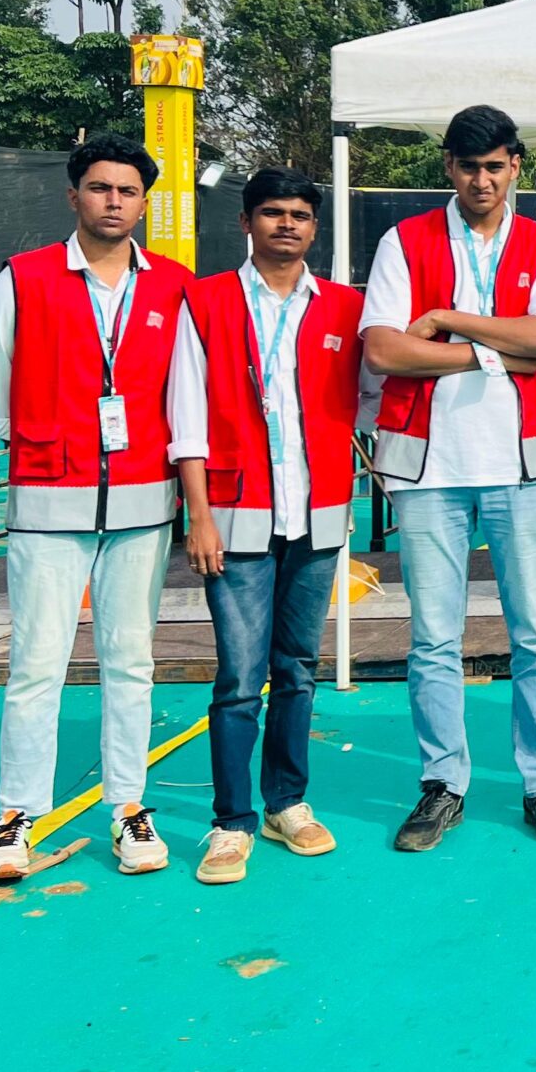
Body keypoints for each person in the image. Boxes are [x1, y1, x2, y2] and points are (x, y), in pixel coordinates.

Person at [0, 137, 193, 881]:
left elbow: (185, 391)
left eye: (127, 190)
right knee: (37, 664)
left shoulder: (173, 286)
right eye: (100, 188)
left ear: (143, 203)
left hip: (142, 505)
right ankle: (15, 816)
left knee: (131, 662)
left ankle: (128, 806)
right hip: (48, 500)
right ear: (74, 196)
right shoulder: (23, 278)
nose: (113, 201)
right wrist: (48, 442)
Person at [359, 105, 536, 851]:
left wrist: (448, 318)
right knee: (432, 637)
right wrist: (494, 351)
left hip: (522, 465)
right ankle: (443, 784)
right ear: (448, 167)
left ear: (515, 165)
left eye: (494, 166)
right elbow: (385, 350)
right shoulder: (404, 240)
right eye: (467, 166)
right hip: (429, 467)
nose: (481, 180)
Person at [170, 168, 364, 883]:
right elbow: (186, 413)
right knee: (239, 678)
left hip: (317, 515)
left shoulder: (346, 308)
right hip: (235, 515)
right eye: (273, 212)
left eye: (300, 215)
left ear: (315, 227)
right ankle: (231, 822)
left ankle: (287, 803)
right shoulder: (206, 301)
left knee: (297, 670)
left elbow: (372, 396)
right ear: (246, 222)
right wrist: (199, 516)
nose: (287, 224)